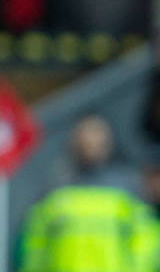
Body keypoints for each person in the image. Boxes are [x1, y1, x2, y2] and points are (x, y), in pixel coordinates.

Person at [20, 116, 160, 272]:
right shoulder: (55, 187)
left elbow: (145, 240)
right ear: (73, 140)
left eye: (97, 134)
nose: (91, 141)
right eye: (86, 135)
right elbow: (36, 244)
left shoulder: (128, 187)